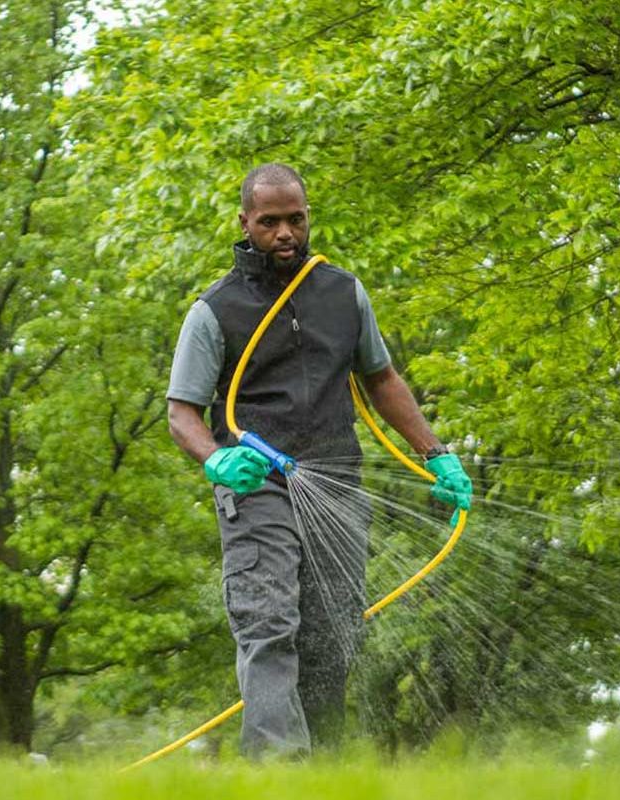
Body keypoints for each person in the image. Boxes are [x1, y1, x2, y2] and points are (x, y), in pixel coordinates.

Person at [166, 163, 471, 759]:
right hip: (256, 485)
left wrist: (437, 454)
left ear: (308, 217)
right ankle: (279, 772)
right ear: (245, 224)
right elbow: (182, 413)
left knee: (335, 634)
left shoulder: (342, 293)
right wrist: (215, 460)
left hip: (336, 484)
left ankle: (328, 769)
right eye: (269, 222)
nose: (285, 233)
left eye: (295, 220)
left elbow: (381, 379)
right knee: (270, 623)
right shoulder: (214, 310)